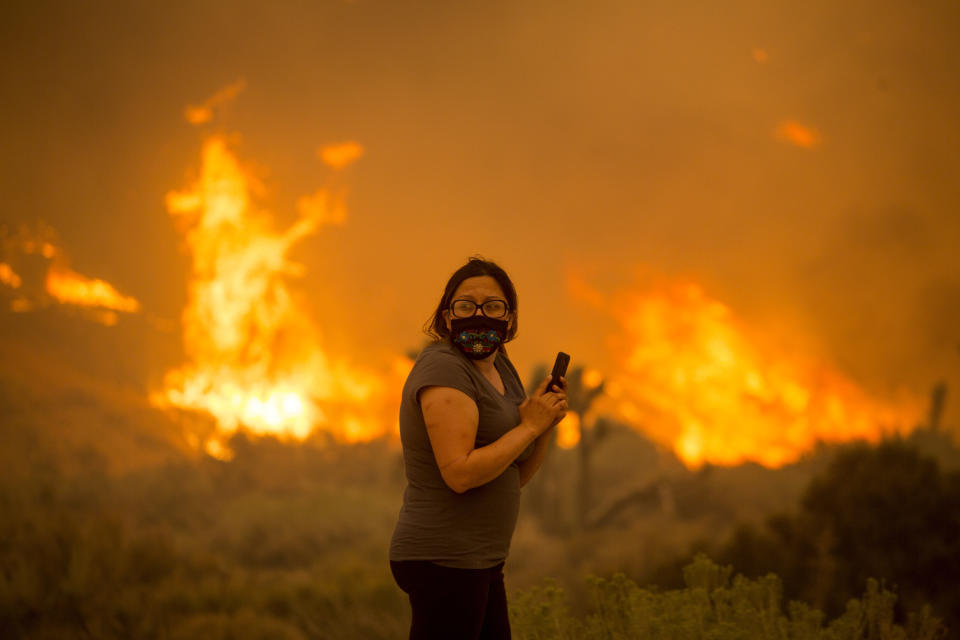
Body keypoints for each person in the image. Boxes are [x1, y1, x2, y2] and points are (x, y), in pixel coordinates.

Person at [389, 256, 568, 640]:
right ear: (446, 315)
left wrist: (544, 424)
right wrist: (529, 427)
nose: (479, 314)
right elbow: (460, 473)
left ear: (510, 317)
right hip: (444, 560)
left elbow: (513, 474)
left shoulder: (499, 365)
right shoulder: (445, 371)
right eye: (466, 305)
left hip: (481, 561)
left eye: (493, 306)